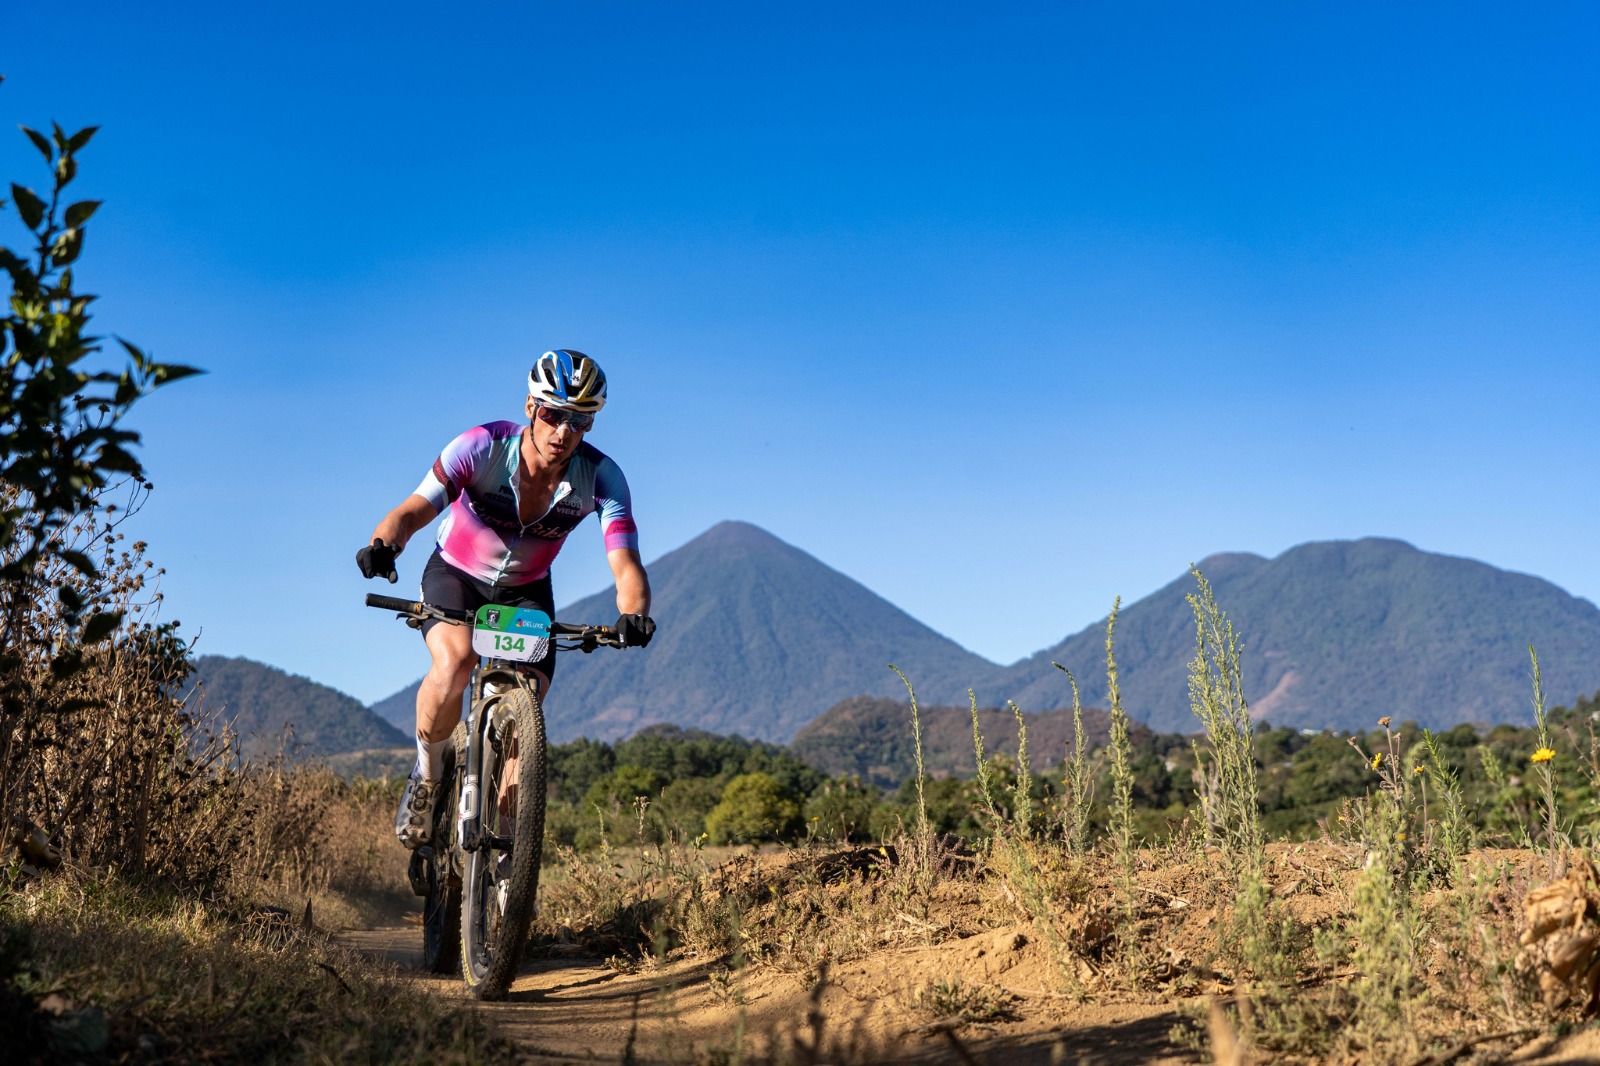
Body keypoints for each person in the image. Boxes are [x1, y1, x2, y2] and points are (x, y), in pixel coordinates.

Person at [356, 349, 654, 848]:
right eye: (554, 414)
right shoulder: (483, 446)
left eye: (581, 420)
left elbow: (625, 562)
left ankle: (509, 862)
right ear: (531, 407)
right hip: (456, 575)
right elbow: (413, 509)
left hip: (525, 591)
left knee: (526, 706)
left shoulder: (602, 477)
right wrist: (385, 544)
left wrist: (634, 614)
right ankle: (428, 777)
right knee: (455, 661)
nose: (564, 432)